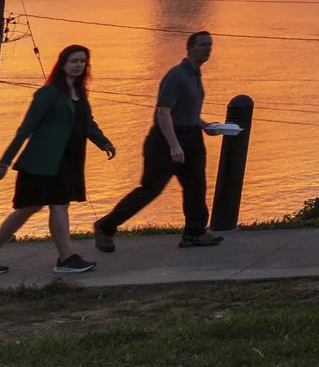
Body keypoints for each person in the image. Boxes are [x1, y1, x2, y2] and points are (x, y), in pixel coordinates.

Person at [91, 30, 228, 252]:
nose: (207, 49)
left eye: (210, 45)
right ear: (190, 48)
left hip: (191, 137)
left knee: (196, 187)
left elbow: (186, 110)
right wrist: (174, 145)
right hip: (165, 141)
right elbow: (163, 113)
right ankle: (105, 226)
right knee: (150, 189)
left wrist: (205, 126)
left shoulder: (195, 74)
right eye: (203, 45)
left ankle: (194, 234)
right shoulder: (176, 75)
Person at [0, 44, 115, 276]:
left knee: (44, 207)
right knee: (41, 207)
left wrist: (103, 142)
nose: (78, 65)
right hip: (41, 161)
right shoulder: (48, 93)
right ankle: (64, 258)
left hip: (66, 161)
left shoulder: (79, 93)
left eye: (83, 61)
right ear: (63, 63)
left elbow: (86, 123)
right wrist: (5, 162)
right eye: (74, 61)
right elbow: (26, 128)